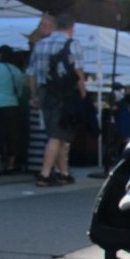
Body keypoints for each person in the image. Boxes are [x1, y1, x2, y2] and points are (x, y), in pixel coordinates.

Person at [26, 13, 87, 187]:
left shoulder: (40, 45)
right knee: (56, 135)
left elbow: (31, 74)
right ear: (71, 28)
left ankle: (63, 172)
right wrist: (83, 93)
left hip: (45, 92)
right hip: (65, 94)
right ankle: (44, 174)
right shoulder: (72, 44)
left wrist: (34, 95)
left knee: (59, 134)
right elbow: (78, 73)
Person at [0, 45, 26, 174]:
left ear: (0, 55)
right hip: (12, 106)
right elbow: (20, 92)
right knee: (12, 136)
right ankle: (10, 165)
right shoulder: (17, 71)